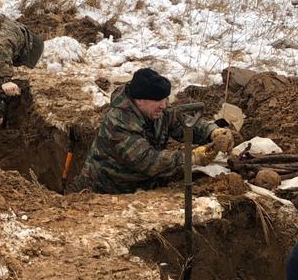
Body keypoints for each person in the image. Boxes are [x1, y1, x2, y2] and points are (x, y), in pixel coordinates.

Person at [77, 67, 234, 193]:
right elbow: (147, 161)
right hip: (106, 190)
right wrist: (192, 157)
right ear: (140, 100)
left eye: (165, 99)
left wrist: (213, 131)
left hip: (142, 184)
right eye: (158, 100)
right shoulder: (119, 121)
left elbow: (183, 123)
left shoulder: (155, 111)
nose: (164, 105)